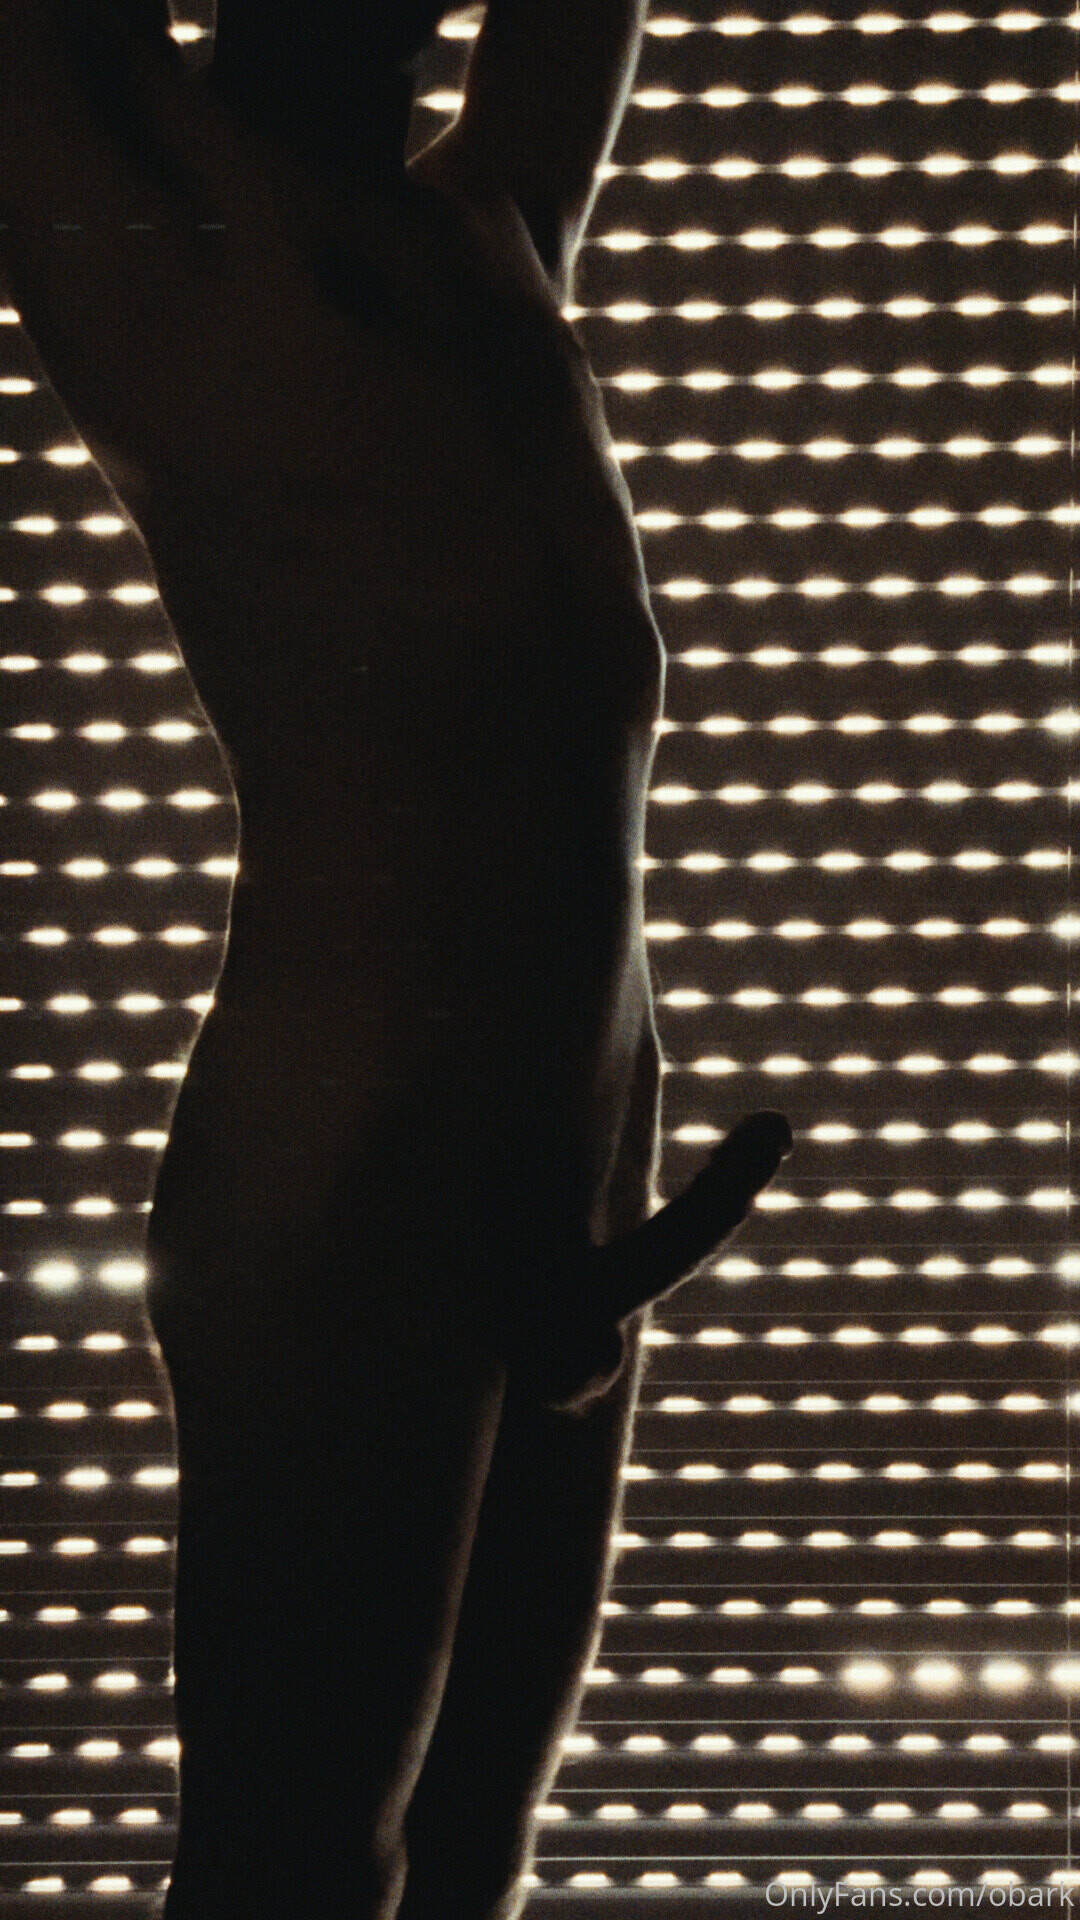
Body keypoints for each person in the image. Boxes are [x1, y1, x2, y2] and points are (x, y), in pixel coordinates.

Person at [0, 4, 794, 1914]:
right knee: (301, 1862)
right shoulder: (149, 217)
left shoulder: (485, 223)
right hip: (349, 1157)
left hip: (575, 1143)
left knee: (471, 1852)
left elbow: (568, 38)